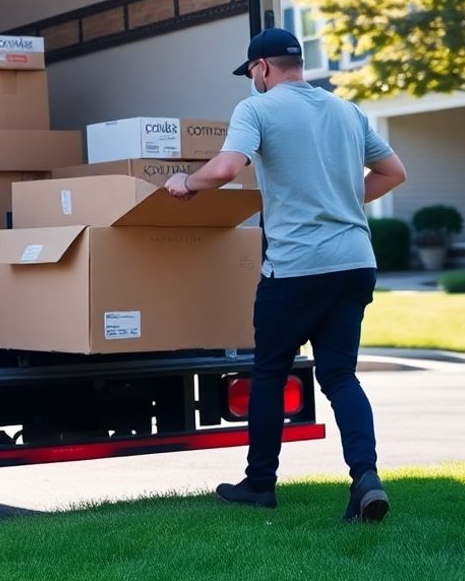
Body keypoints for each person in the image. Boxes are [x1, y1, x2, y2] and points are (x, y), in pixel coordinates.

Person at [164, 27, 407, 523]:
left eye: (251, 71)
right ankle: (366, 478)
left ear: (263, 68)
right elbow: (392, 172)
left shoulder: (256, 108)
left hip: (297, 267)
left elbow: (228, 167)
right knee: (339, 375)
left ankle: (259, 484)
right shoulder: (346, 110)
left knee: (271, 372)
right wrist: (338, 201)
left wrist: (186, 182)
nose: (252, 79)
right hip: (355, 262)